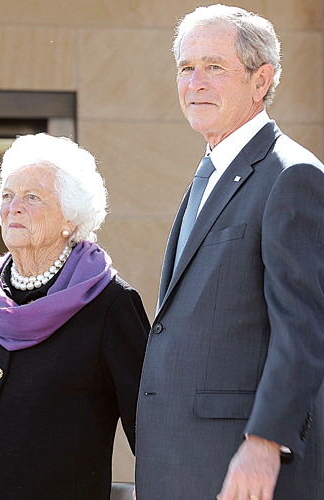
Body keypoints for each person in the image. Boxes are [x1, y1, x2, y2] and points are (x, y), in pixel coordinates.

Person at [134, 5, 324, 500]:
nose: (195, 82)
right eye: (185, 67)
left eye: (214, 67)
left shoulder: (291, 176)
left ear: (262, 81)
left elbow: (305, 328)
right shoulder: (213, 172)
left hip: (243, 471)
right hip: (189, 465)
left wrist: (265, 442)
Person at [0, 133, 149, 500]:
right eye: (8, 195)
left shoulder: (110, 304)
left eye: (32, 198)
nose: (14, 207)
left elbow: (150, 430)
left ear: (70, 218)